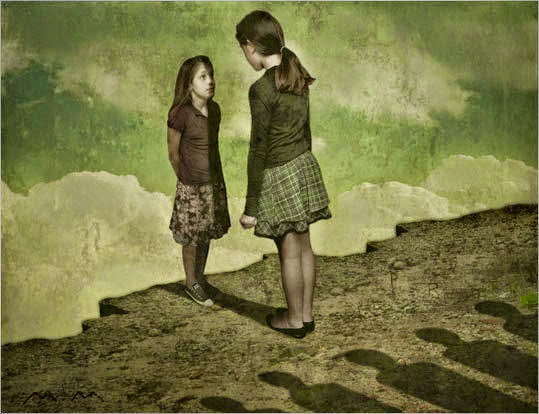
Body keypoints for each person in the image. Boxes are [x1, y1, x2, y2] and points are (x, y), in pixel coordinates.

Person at [236, 11, 331, 338]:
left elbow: (258, 149)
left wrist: (251, 208)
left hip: (279, 173)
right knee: (304, 246)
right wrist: (304, 164)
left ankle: (292, 320)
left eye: (243, 50)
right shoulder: (296, 76)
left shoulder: (261, 89)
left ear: (251, 46)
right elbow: (306, 130)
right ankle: (305, 315)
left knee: (288, 251)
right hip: (303, 165)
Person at [167, 55, 231, 307]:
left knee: (205, 233)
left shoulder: (214, 110)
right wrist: (187, 180)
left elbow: (213, 148)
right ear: (189, 83)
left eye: (211, 75)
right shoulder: (180, 114)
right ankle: (190, 282)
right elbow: (173, 155)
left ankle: (200, 278)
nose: (210, 81)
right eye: (202, 77)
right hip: (191, 186)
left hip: (212, 183)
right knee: (192, 237)